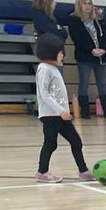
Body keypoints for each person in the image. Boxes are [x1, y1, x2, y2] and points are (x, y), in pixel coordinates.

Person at [33, 35, 93, 184]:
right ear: (50, 52)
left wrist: (63, 111)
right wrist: (60, 110)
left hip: (60, 115)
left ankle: (83, 171)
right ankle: (42, 172)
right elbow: (44, 93)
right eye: (60, 52)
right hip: (50, 115)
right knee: (50, 144)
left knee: (76, 141)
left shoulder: (53, 68)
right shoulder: (44, 69)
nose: (63, 55)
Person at [67, 0, 106, 120]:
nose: (87, 6)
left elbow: (105, 37)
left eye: (89, 3)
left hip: (99, 57)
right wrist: (91, 50)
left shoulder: (97, 21)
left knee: (102, 84)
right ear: (79, 5)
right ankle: (84, 111)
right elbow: (77, 39)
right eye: (84, 3)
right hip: (85, 57)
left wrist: (104, 49)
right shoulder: (74, 20)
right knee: (84, 83)